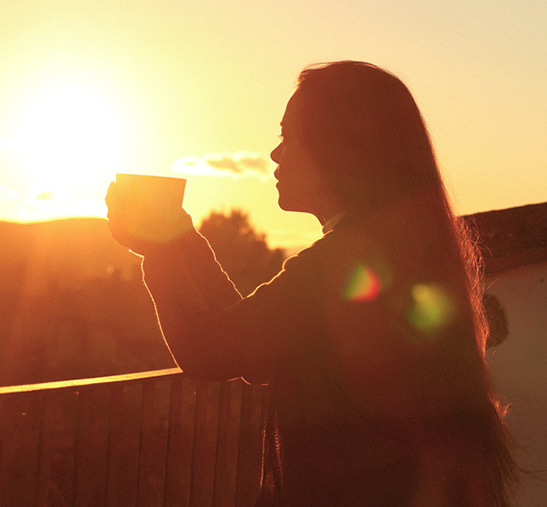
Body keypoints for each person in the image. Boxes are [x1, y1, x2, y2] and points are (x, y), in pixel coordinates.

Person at [106, 61, 518, 506]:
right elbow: (255, 345)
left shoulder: (342, 264)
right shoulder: (397, 247)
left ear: (337, 146)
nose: (275, 155)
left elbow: (208, 350)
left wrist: (159, 248)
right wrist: (181, 241)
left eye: (287, 135)